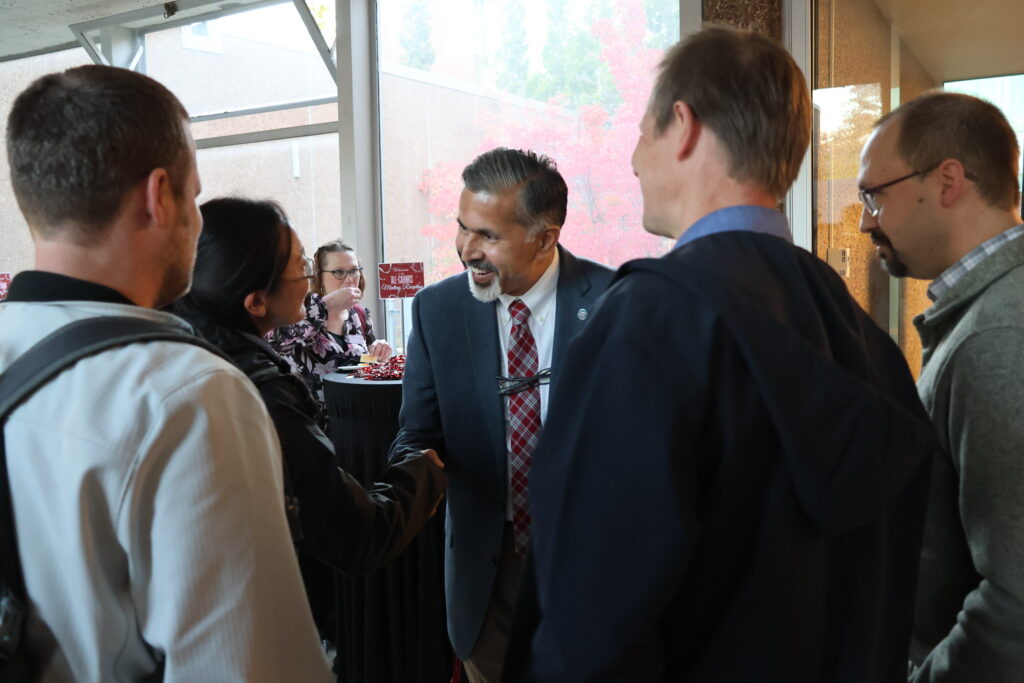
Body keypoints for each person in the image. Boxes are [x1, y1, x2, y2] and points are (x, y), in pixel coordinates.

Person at [516, 27, 938, 682]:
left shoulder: (642, 327)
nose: (631, 159)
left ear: (683, 126)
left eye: (643, 132)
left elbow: (588, 631)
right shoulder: (869, 342)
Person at [1, 65, 332, 680]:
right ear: (159, 196)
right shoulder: (186, 392)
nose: (198, 221)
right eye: (194, 193)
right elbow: (246, 666)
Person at [171, 197, 447, 649]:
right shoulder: (262, 391)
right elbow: (358, 534)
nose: (314, 281)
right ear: (256, 301)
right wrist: (423, 472)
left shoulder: (178, 352)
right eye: (303, 268)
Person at [389, 147, 614, 682]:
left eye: (488, 236)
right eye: (462, 227)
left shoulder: (615, 302)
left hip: (592, 566)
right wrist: (414, 472)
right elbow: (414, 435)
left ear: (544, 236)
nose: (467, 249)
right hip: (486, 577)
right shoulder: (436, 311)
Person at [857, 92, 1024, 682]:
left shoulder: (998, 333)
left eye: (874, 194)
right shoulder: (989, 316)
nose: (864, 220)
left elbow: (1015, 603)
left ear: (949, 180)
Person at [270, 239, 392, 406]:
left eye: (354, 271)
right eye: (339, 272)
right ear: (319, 275)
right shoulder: (300, 309)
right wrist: (327, 306)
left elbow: (368, 364)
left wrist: (379, 351)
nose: (349, 279)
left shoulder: (359, 314)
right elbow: (277, 345)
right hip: (312, 421)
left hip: (355, 416)